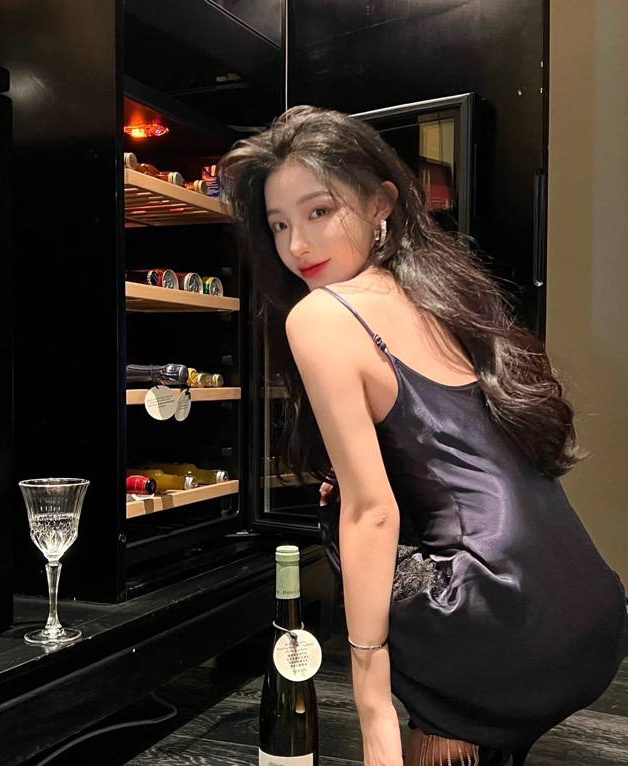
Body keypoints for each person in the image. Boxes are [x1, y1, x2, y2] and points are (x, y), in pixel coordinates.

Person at [217, 105, 628, 766]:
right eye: (279, 224)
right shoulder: (439, 295)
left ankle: (445, 722)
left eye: (319, 211)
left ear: (380, 203)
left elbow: (372, 512)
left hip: (488, 619)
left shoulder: (321, 315)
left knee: (342, 513)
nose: (297, 246)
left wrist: (372, 703)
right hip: (591, 614)